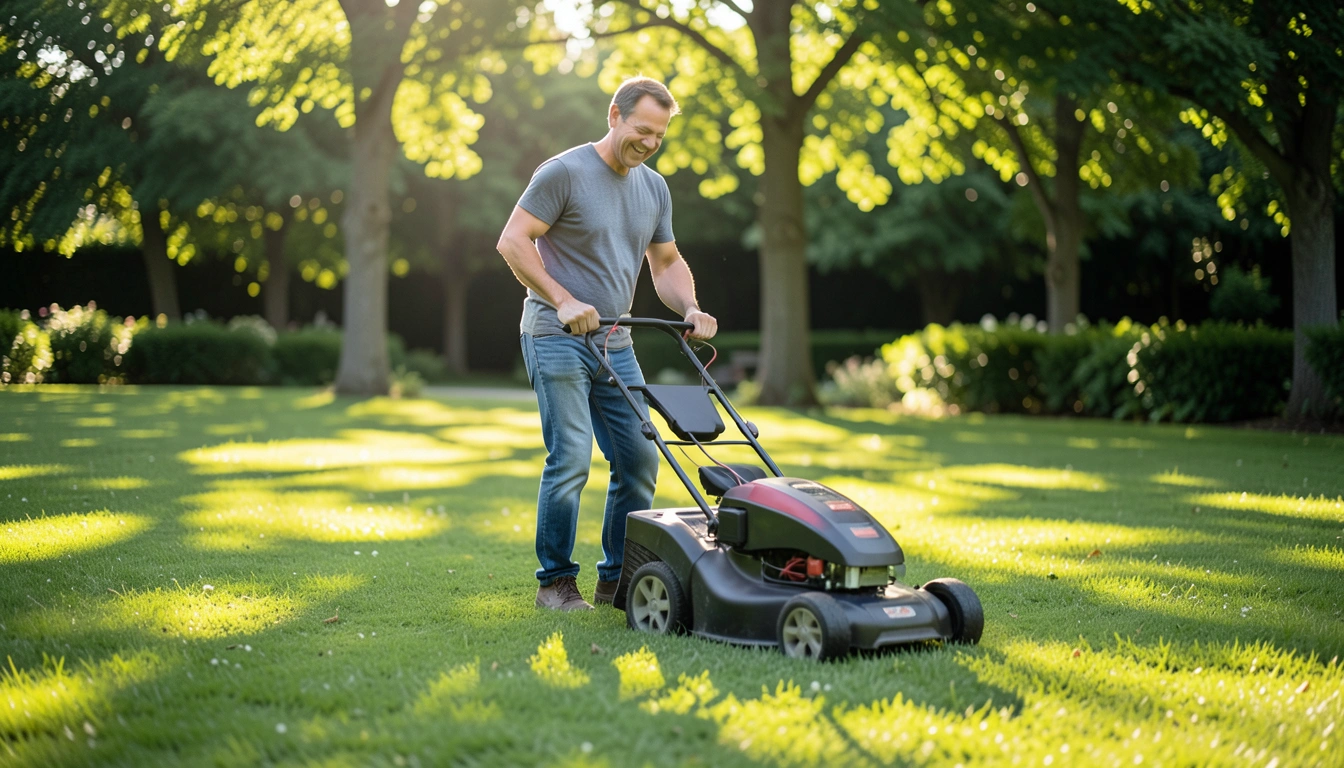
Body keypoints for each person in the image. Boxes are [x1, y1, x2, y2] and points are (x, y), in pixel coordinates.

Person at [496, 77, 718, 611]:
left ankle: (618, 581)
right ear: (614, 115)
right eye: (642, 129)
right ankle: (555, 583)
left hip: (617, 343)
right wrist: (562, 298)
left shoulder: (654, 187)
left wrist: (689, 307)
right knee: (571, 457)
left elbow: (664, 262)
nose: (649, 142)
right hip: (557, 337)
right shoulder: (564, 172)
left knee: (640, 459)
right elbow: (512, 240)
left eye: (660, 136)